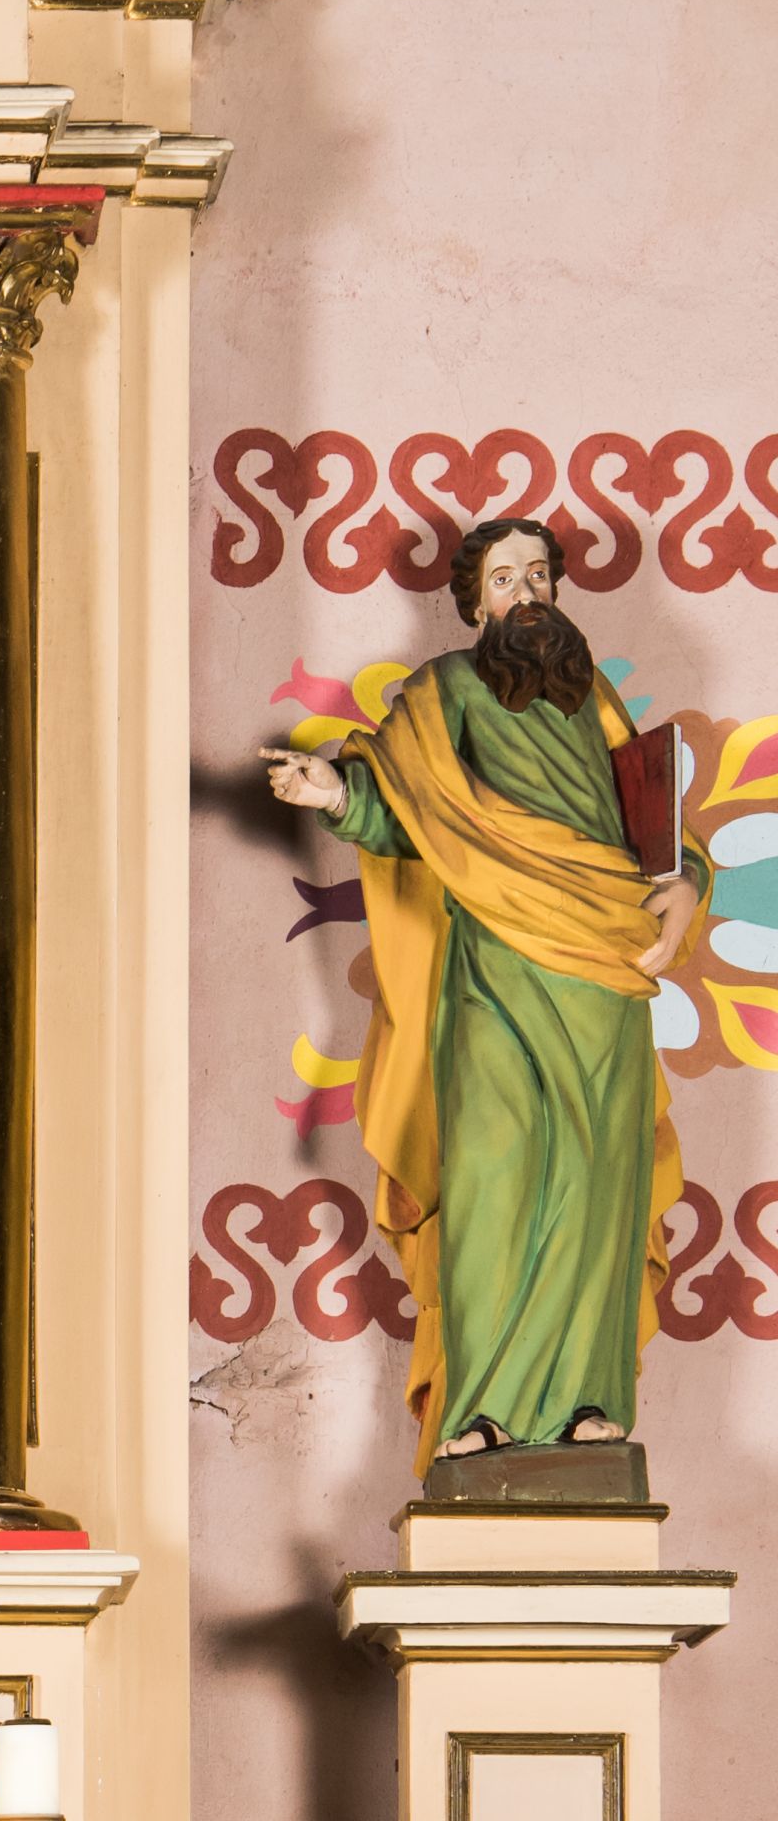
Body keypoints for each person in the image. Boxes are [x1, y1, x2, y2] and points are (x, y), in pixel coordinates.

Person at [262, 511, 705, 1465]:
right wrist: (335, 795)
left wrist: (687, 884)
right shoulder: (448, 691)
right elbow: (404, 808)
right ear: (474, 605)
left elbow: (656, 827)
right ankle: (482, 1409)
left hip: (604, 972)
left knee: (595, 1183)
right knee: (493, 1177)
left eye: (538, 576)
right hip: (493, 971)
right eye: (504, 580)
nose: (526, 594)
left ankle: (589, 1401)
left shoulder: (594, 700)